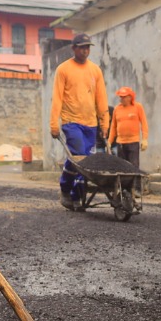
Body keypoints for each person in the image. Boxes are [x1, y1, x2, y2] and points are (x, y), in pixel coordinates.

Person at [50, 33, 108, 208]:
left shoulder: (95, 70)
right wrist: (54, 124)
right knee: (80, 157)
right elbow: (57, 98)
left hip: (90, 123)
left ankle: (77, 195)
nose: (85, 51)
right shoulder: (64, 69)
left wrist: (104, 123)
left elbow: (101, 99)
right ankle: (66, 190)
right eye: (82, 47)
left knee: (85, 160)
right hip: (71, 122)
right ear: (73, 48)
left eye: (87, 47)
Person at [107, 86, 148, 170]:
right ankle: (123, 183)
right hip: (121, 143)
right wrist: (109, 141)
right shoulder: (117, 109)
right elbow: (113, 127)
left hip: (133, 142)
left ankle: (135, 183)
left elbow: (144, 123)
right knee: (122, 167)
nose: (121, 99)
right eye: (120, 97)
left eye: (124, 97)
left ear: (130, 97)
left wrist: (144, 139)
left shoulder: (138, 107)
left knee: (133, 167)